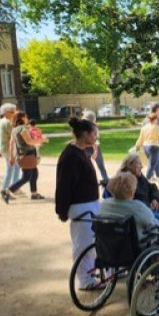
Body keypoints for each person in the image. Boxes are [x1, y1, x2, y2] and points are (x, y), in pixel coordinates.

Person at [55, 118, 101, 290]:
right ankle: (85, 280)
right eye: (94, 133)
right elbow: (64, 185)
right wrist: (62, 210)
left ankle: (89, 274)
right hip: (81, 205)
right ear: (85, 134)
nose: (96, 137)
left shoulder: (81, 152)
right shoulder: (71, 156)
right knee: (83, 244)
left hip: (89, 203)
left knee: (91, 242)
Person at [117, 152, 159, 229]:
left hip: (151, 207)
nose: (142, 166)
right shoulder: (124, 179)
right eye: (139, 164)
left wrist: (155, 199)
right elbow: (130, 201)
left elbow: (152, 187)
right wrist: (148, 206)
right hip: (141, 212)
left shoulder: (139, 175)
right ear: (130, 165)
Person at [98, 172, 159, 240]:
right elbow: (156, 227)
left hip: (111, 244)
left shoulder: (104, 204)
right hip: (137, 245)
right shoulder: (138, 207)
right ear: (132, 191)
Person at [3, 111, 46, 202]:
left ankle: (33, 193)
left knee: (31, 174)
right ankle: (8, 191)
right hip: (28, 155)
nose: (27, 118)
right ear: (21, 118)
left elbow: (11, 144)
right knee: (28, 176)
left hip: (22, 155)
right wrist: (41, 140)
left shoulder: (14, 130)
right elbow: (29, 142)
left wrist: (12, 157)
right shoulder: (23, 129)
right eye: (25, 117)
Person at [0, 103, 21, 198]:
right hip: (9, 148)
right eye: (13, 111)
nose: (15, 113)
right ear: (7, 113)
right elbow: (14, 136)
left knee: (12, 169)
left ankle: (12, 188)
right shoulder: (8, 122)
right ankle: (7, 190)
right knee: (14, 169)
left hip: (3, 148)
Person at [135, 113, 159, 181]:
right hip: (154, 146)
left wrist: (137, 145)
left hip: (146, 147)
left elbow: (141, 138)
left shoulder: (144, 128)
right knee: (152, 163)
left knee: (157, 159)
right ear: (155, 119)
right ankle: (147, 178)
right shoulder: (157, 127)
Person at [82, 110, 109, 185]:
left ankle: (105, 179)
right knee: (87, 166)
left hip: (91, 147)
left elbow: (95, 141)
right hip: (86, 148)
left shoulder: (94, 128)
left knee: (99, 164)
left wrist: (95, 151)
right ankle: (103, 179)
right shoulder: (86, 127)